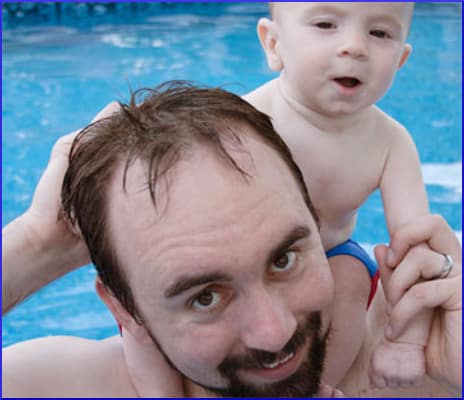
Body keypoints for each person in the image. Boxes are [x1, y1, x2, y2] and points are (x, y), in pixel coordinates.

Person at [2, 82, 461, 398]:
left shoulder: (425, 365)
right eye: (205, 297)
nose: (275, 331)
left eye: (284, 259)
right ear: (125, 308)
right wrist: (33, 249)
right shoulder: (64, 387)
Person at [244, 2, 433, 388]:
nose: (355, 47)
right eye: (326, 24)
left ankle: (317, 387)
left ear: (400, 61)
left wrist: (407, 341)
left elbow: (416, 247)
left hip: (331, 257)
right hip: (249, 267)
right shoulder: (246, 120)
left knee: (352, 278)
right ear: (273, 43)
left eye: (380, 33)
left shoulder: (390, 143)